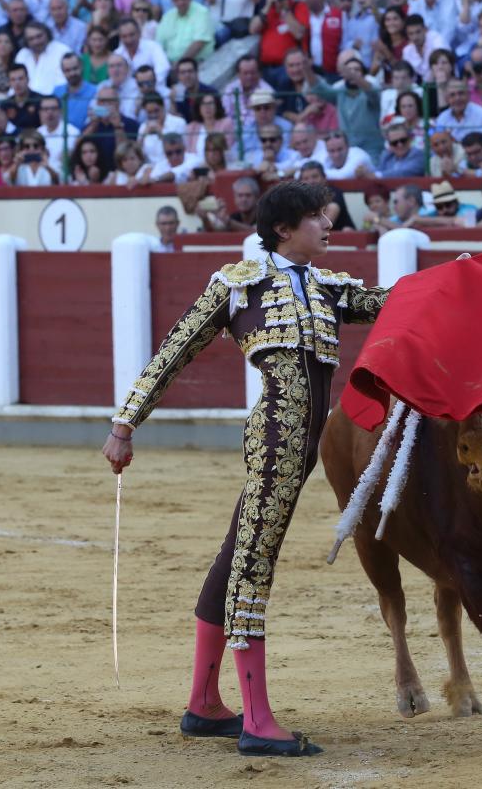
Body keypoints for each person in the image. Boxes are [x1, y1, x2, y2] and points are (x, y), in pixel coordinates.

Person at [102, 180, 389, 758]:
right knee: (253, 564)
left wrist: (460, 276)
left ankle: (205, 705)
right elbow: (174, 351)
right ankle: (257, 720)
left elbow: (399, 303)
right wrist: (124, 424)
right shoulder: (239, 284)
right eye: (316, 217)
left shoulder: (333, 288)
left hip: (303, 446)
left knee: (237, 553)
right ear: (284, 229)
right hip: (277, 440)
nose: (328, 224)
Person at [305, 55, 384, 163]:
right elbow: (319, 88)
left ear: (363, 74)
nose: (352, 72)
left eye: (357, 70)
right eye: (349, 70)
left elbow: (371, 91)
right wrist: (306, 69)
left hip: (371, 149)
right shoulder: (340, 92)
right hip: (346, 151)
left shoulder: (370, 91)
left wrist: (352, 75)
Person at [81, 86, 139, 169]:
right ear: (97, 104)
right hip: (95, 172)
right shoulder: (91, 125)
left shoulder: (131, 124)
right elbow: (78, 150)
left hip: (120, 172)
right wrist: (93, 125)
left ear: (118, 104)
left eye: (109, 101)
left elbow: (125, 155)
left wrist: (117, 127)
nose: (105, 105)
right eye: (102, 101)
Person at [156, 0, 215, 67]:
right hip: (170, 64)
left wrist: (179, 64)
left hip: (197, 64)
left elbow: (199, 43)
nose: (180, 3)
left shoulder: (202, 12)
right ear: (172, 2)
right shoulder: (167, 16)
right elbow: (158, 45)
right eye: (176, 0)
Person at [299, 159, 355, 230]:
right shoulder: (299, 197)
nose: (311, 181)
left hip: (339, 236)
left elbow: (327, 223)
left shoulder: (333, 192)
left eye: (315, 177)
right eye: (306, 179)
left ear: (324, 177)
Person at [115, 17, 170, 85]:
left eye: (131, 35)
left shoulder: (153, 47)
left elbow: (163, 68)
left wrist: (147, 84)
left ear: (139, 33)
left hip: (153, 90)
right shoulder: (117, 54)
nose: (129, 40)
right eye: (124, 36)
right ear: (120, 37)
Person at [138, 91, 187, 165]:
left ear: (163, 106)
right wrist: (143, 137)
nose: (153, 115)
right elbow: (138, 154)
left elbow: (183, 149)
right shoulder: (143, 127)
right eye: (149, 112)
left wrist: (161, 133)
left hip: (174, 165)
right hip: (150, 168)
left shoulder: (179, 123)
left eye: (156, 111)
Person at [434, 78, 482, 142]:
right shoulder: (442, 118)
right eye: (452, 95)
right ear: (446, 99)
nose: (457, 98)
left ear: (468, 95)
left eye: (461, 93)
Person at [54, 52, 98, 130]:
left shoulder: (95, 91)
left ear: (81, 67)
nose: (72, 73)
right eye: (67, 70)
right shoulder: (57, 92)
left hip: (86, 138)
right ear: (62, 72)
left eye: (75, 68)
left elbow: (95, 122)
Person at [37, 94, 79, 173]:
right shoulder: (37, 133)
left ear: (60, 111)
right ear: (40, 113)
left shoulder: (73, 133)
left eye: (53, 108)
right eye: (45, 109)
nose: (50, 112)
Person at [401, 12, 446, 83]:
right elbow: (410, 76)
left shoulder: (436, 39)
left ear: (425, 29)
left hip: (444, 82)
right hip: (423, 86)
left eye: (418, 32)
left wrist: (426, 87)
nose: (415, 37)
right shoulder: (407, 51)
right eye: (411, 34)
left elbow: (441, 66)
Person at [173, 56, 220, 123]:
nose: (187, 76)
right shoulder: (179, 97)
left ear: (197, 72)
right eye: (183, 72)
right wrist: (172, 102)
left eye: (190, 71)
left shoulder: (211, 92)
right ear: (178, 76)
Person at [0, 63, 44, 130]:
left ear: (28, 79)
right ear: (9, 83)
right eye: (13, 80)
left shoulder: (40, 100)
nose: (17, 83)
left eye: (20, 79)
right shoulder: (5, 105)